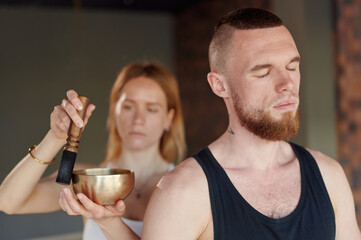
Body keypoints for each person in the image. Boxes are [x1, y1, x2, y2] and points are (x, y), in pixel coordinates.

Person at [51, 8, 360, 240]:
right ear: (219, 85)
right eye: (263, 72)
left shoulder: (329, 176)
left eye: (292, 67)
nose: (287, 85)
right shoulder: (183, 192)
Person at [0, 61, 186, 239]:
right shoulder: (85, 182)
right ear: (114, 112)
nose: (138, 119)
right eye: (128, 106)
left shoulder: (185, 187)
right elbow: (8, 201)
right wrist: (55, 137)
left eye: (151, 109)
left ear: (169, 118)